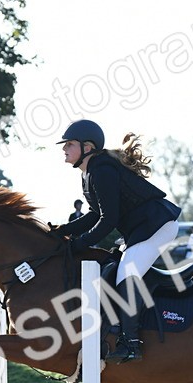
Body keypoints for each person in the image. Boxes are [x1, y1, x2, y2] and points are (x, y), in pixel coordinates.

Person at [51, 119, 180, 363]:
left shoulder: (102, 170)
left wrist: (79, 244)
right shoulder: (89, 173)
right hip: (141, 229)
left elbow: (108, 220)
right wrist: (62, 230)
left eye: (69, 144)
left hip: (157, 225)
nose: (64, 149)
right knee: (115, 268)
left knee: (127, 273)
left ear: (87, 147)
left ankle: (131, 343)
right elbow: (93, 214)